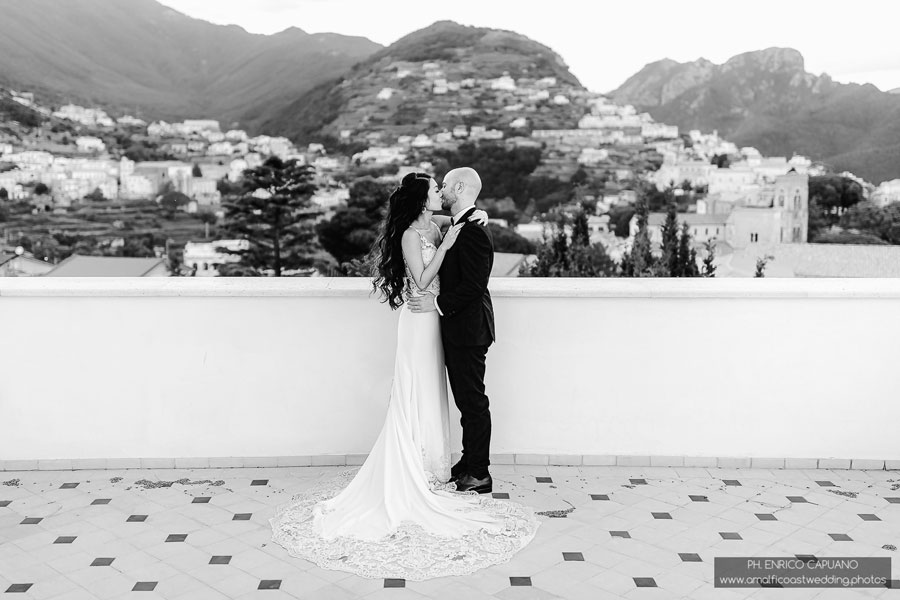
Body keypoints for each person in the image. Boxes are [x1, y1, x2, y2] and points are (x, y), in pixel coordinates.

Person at [269, 172, 539, 581]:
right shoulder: (423, 232)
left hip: (446, 321)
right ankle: (440, 465)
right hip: (422, 322)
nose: (441, 192)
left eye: (444, 187)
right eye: (435, 188)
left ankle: (469, 469)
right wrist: (447, 248)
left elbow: (465, 258)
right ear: (422, 198)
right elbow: (423, 275)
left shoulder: (446, 225)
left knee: (459, 396)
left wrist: (467, 224)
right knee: (422, 389)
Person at [407, 167, 495, 495]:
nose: (441, 191)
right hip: (458, 328)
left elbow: (474, 285)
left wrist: (437, 305)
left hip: (469, 329)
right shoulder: (460, 223)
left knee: (473, 403)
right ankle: (468, 462)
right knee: (465, 401)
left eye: (444, 186)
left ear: (459, 187)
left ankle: (479, 473)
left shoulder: (472, 228)